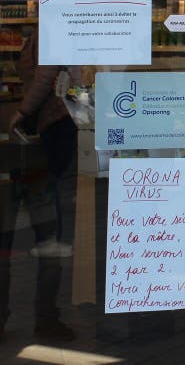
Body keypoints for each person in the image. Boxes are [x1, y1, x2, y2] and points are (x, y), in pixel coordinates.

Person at [4, 32, 76, 341]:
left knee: (8, 245)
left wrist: (21, 112)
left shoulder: (45, 33)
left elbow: (45, 74)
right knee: (49, 241)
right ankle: (46, 319)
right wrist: (23, 113)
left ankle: (35, 319)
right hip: (36, 149)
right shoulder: (53, 30)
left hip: (23, 151)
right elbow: (48, 76)